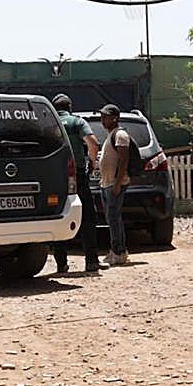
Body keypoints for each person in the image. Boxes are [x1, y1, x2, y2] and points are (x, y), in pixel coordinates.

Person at [50, 94, 105, 274]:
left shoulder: (50, 122)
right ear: (70, 107)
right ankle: (91, 261)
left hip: (55, 177)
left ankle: (61, 264)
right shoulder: (76, 122)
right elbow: (93, 142)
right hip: (77, 175)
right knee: (88, 217)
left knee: (58, 215)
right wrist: (93, 161)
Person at [97, 103, 131, 266]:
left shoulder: (120, 135)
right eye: (102, 117)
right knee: (113, 218)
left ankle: (118, 252)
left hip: (115, 184)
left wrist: (117, 183)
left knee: (113, 217)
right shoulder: (111, 134)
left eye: (106, 117)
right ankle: (119, 250)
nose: (102, 120)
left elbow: (124, 160)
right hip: (107, 183)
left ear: (115, 118)